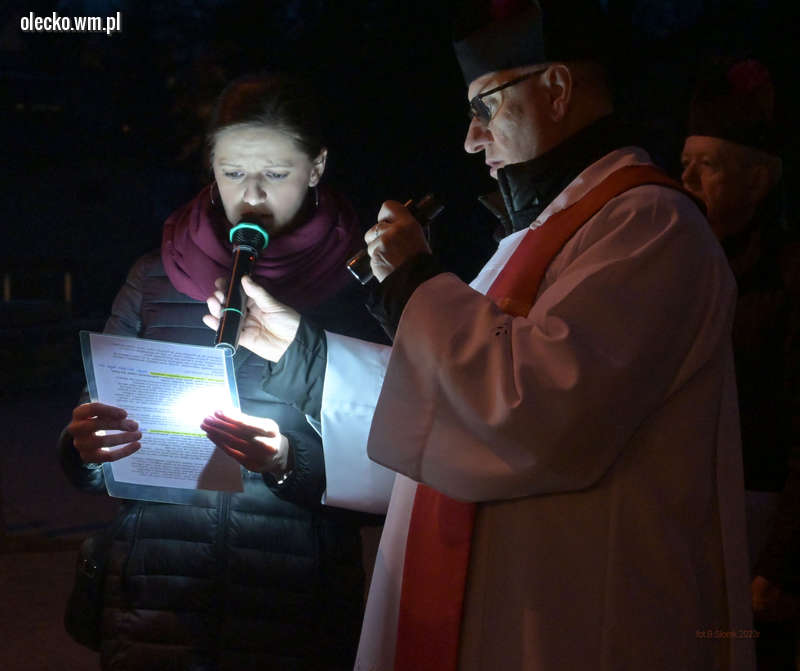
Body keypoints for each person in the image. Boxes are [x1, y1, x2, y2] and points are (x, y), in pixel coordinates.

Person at [203, 2, 754, 669]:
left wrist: (413, 282)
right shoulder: (545, 233)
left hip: (579, 620)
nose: (470, 138)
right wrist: (304, 354)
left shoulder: (650, 226)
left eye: (486, 106)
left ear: (555, 88)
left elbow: (532, 411)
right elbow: (454, 407)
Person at [58, 72, 389, 670]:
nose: (253, 196)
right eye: (233, 173)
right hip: (155, 600)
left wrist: (289, 463)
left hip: (296, 608)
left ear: (317, 167)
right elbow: (94, 436)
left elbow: (394, 465)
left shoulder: (364, 287)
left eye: (276, 174)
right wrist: (85, 448)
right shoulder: (155, 275)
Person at [681, 58, 800, 670]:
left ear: (757, 181)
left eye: (709, 166)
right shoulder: (673, 272)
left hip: (759, 530)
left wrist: (782, 561)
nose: (687, 179)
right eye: (683, 164)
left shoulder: (789, 278)